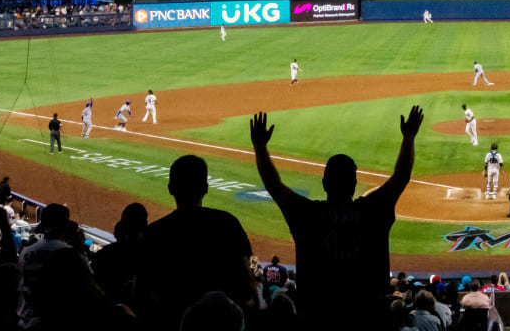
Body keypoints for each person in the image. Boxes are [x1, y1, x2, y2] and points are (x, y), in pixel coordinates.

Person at [249, 105, 425, 326]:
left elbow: (274, 185)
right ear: (354, 184)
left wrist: (260, 147)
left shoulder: (308, 215)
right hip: (370, 317)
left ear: (324, 184)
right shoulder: (372, 210)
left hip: (319, 316)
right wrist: (409, 137)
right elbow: (401, 177)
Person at [135, 155, 255, 327]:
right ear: (205, 188)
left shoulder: (153, 233)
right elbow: (248, 282)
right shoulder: (228, 223)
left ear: (170, 188)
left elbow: (141, 295)